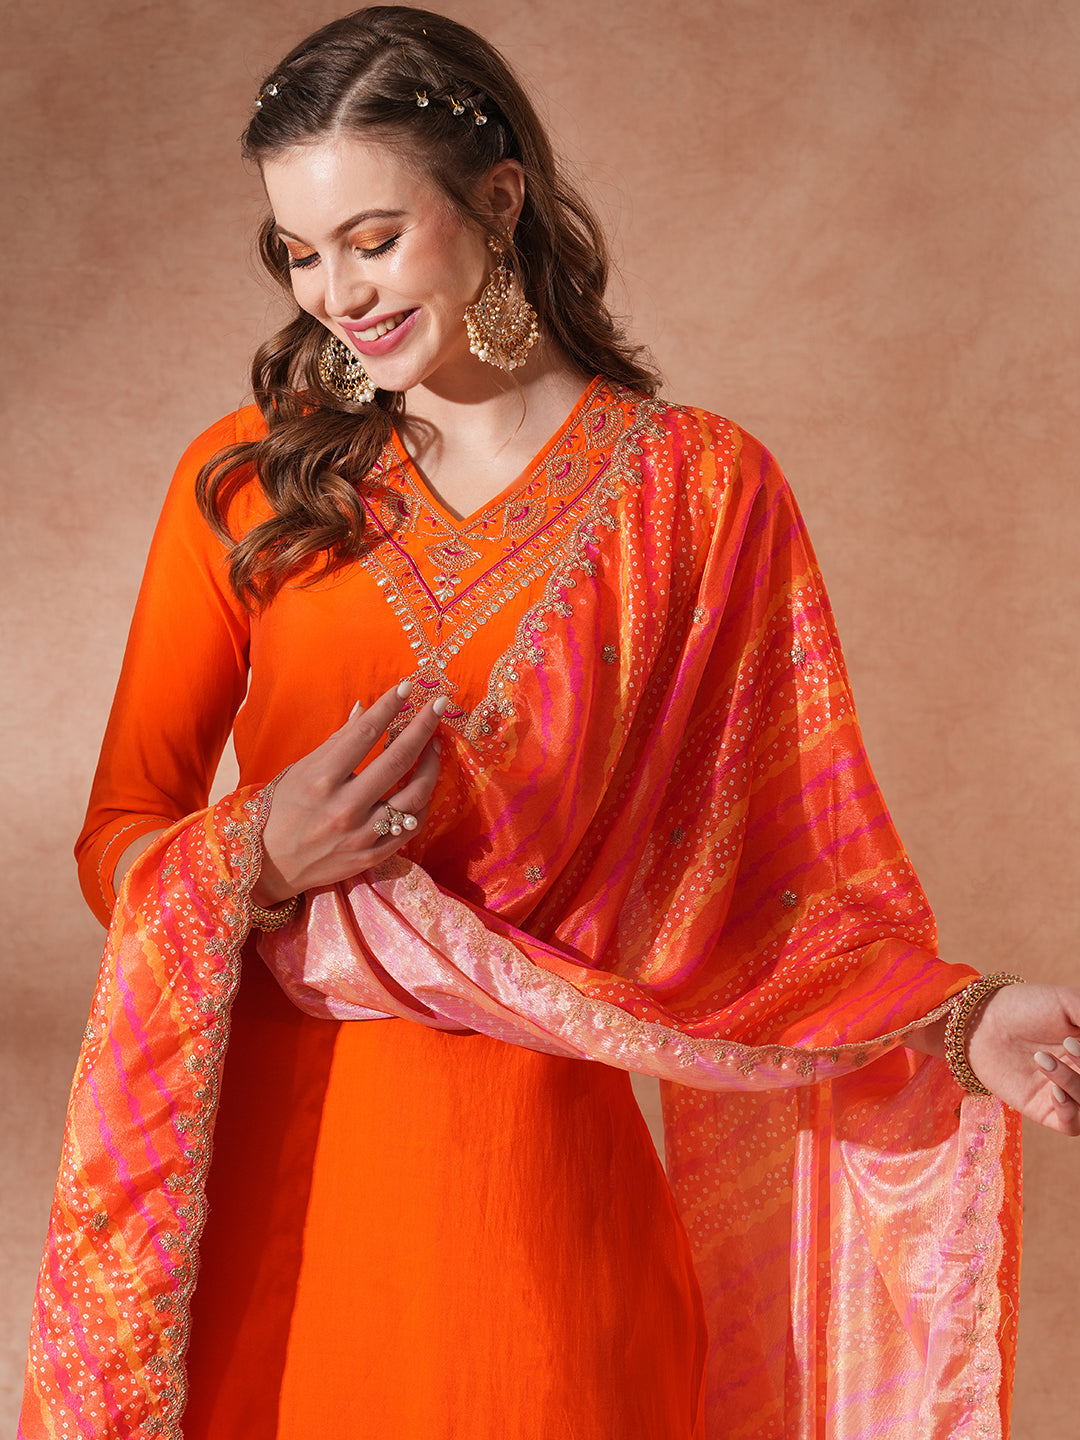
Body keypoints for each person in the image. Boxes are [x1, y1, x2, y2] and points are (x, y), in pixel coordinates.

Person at [19, 7, 1080, 1439]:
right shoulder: (249, 482)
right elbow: (118, 839)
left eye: (374, 239)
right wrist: (255, 853)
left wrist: (961, 1018)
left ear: (498, 198)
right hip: (265, 1191)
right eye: (300, 251)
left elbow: (776, 894)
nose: (337, 294)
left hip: (535, 1204)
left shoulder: (696, 496)